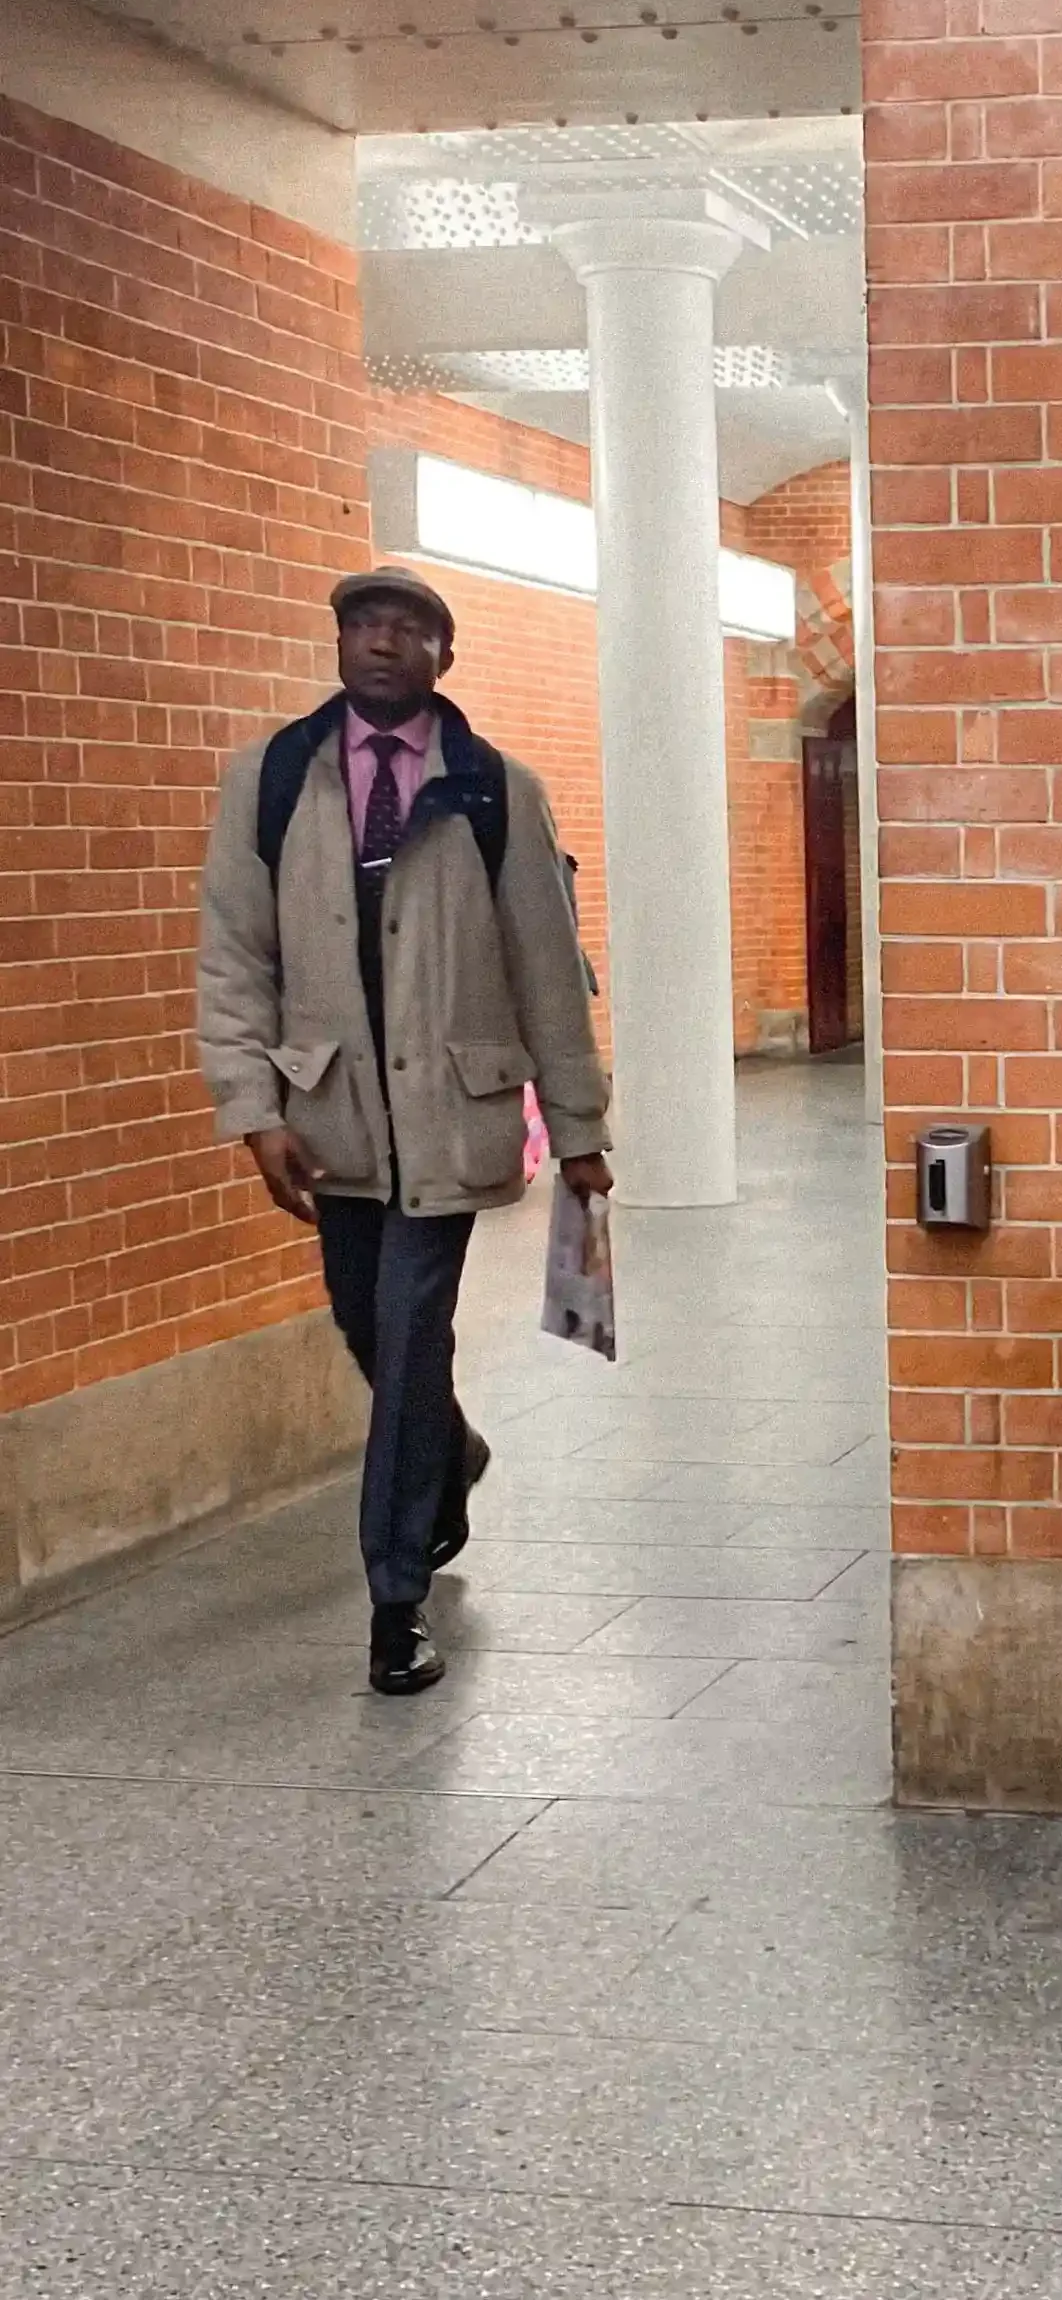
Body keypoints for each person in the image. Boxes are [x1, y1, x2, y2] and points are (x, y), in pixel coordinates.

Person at [196, 564, 612, 1694]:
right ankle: (452, 1453)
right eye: (363, 626)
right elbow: (235, 958)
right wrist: (251, 1109)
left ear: (444, 653)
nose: (382, 643)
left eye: (408, 629)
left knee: (410, 1323)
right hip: (329, 1114)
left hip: (450, 1111)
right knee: (370, 1329)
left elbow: (545, 965)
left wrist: (579, 1127)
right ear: (338, 644)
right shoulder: (273, 778)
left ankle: (395, 1603)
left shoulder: (493, 788)